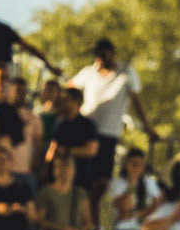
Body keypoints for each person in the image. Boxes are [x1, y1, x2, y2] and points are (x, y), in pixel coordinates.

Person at [66, 38, 155, 183]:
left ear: (113, 54)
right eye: (98, 55)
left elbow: (136, 100)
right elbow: (69, 87)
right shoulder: (88, 72)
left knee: (102, 178)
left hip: (108, 132)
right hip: (86, 130)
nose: (100, 59)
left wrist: (147, 126)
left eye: (103, 55)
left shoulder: (126, 72)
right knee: (81, 174)